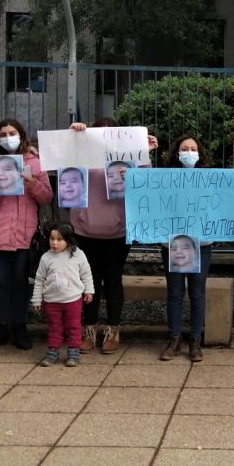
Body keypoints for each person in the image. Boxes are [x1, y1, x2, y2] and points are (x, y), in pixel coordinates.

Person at [69, 119, 157, 355]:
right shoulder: (83, 155)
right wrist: (72, 136)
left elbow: (146, 186)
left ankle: (113, 330)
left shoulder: (128, 159)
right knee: (90, 283)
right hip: (85, 232)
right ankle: (88, 330)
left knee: (113, 281)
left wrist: (143, 156)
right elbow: (63, 165)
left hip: (117, 233)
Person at [0, 118, 53, 351]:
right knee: (3, 283)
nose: (8, 137)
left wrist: (32, 185)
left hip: (25, 234)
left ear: (21, 135)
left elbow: (47, 197)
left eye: (12, 133)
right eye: (3, 134)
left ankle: (19, 327)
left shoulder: (36, 163)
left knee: (20, 283)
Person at [159, 135, 234, 362]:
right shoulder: (165, 177)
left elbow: (227, 197)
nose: (189, 152)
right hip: (173, 243)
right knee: (174, 293)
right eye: (184, 148)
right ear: (176, 153)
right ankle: (173, 339)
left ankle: (195, 340)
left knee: (197, 292)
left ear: (199, 153)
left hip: (201, 243)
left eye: (193, 148)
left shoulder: (208, 176)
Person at [32, 224, 94, 367]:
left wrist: (89, 291)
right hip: (51, 302)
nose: (54, 243)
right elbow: (40, 279)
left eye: (59, 239)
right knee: (54, 327)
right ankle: (53, 352)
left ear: (69, 240)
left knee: (73, 326)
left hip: (73, 301)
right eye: (52, 238)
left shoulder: (78, 255)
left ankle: (73, 352)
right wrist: (36, 299)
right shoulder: (46, 258)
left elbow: (86, 274)